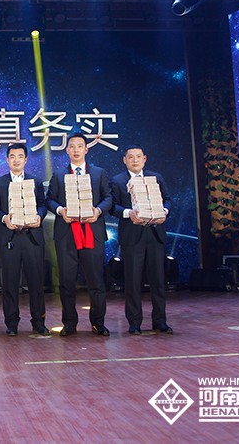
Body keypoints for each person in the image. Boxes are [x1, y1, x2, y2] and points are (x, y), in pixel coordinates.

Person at [46, 133, 112, 337]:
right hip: (67, 234)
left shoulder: (99, 173)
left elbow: (108, 198)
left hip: (92, 232)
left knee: (96, 281)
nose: (76, 150)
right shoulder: (58, 175)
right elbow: (50, 200)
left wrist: (98, 211)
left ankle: (98, 323)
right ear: (67, 150)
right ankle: (69, 323)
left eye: (80, 146)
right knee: (66, 281)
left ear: (86, 149)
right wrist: (61, 211)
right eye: (72, 146)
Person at [109, 144, 173, 335]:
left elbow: (168, 200)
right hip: (132, 235)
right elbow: (113, 207)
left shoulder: (156, 178)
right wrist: (129, 213)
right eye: (131, 157)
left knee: (158, 280)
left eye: (138, 156)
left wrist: (164, 211)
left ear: (145, 159)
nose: (135, 160)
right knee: (133, 281)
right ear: (124, 160)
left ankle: (160, 321)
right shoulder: (117, 181)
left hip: (155, 233)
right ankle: (134, 322)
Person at [0, 143, 50, 337]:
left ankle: (38, 322)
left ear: (26, 159)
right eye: (12, 156)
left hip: (32, 237)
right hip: (10, 237)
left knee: (36, 282)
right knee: (10, 282)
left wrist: (39, 216)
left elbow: (42, 205)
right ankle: (12, 323)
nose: (16, 160)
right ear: (7, 160)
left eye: (20, 156)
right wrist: (4, 219)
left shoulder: (35, 181)